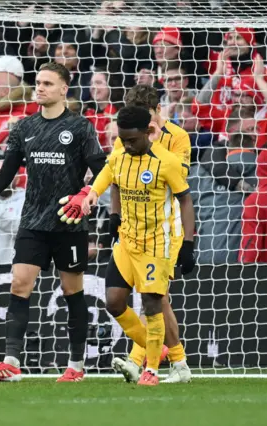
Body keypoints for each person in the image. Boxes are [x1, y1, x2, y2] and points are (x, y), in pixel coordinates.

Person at [0, 62, 107, 382]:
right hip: (33, 221)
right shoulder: (24, 127)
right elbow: (5, 176)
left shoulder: (80, 127)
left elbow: (103, 169)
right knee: (20, 285)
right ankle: (10, 361)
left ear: (64, 89)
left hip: (68, 222)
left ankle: (76, 366)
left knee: (71, 291)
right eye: (38, 83)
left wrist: (87, 193)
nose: (40, 88)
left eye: (48, 83)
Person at [82, 105, 196, 386]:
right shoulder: (121, 153)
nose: (127, 145)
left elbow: (185, 200)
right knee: (114, 301)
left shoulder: (166, 161)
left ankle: (152, 370)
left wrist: (189, 244)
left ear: (149, 132)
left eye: (132, 140)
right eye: (123, 139)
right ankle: (167, 354)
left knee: (152, 303)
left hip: (157, 242)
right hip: (126, 240)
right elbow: (110, 177)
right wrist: (97, 198)